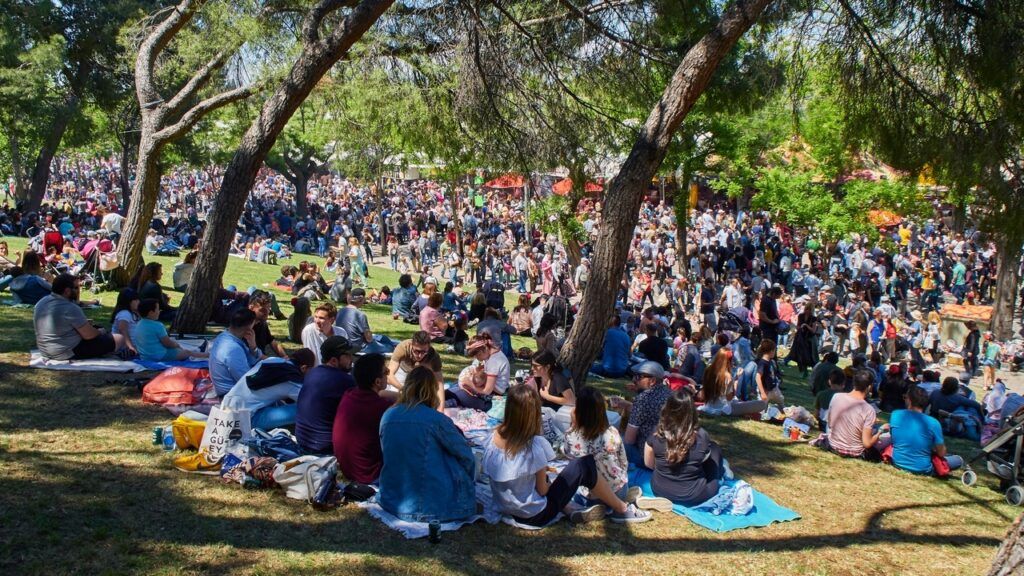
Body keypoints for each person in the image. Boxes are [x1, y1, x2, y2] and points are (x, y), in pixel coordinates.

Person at [484, 385, 652, 526]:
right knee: (584, 465)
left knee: (569, 473)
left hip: (505, 506)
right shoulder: (535, 445)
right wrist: (556, 484)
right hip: (534, 515)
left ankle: (571, 507)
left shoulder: (494, 436)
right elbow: (542, 491)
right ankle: (622, 509)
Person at [379, 366, 477, 523]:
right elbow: (466, 456)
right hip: (429, 505)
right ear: (431, 390)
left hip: (391, 497)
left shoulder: (388, 415)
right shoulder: (436, 419)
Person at [645, 388, 732, 507]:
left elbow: (648, 464)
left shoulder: (656, 433)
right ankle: (722, 472)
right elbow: (703, 461)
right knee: (715, 449)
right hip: (694, 495)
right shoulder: (701, 435)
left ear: (667, 409)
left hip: (660, 490)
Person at [333, 353, 395, 485]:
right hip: (370, 475)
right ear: (377, 381)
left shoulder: (349, 394)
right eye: (386, 372)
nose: (388, 374)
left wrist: (400, 395)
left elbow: (381, 393)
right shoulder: (381, 408)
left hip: (348, 469)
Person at [33, 273, 122, 360]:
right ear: (67, 291)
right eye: (76, 288)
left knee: (96, 328)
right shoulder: (70, 308)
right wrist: (100, 332)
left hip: (46, 350)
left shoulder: (41, 302)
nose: (79, 291)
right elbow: (89, 335)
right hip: (66, 352)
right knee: (118, 338)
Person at [221, 349, 315, 430]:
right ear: (304, 368)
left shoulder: (271, 360)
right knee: (304, 409)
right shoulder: (292, 380)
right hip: (245, 421)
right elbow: (310, 404)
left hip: (226, 408)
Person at [294, 336, 356, 455]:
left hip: (302, 441)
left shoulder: (313, 372)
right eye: (347, 355)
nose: (351, 358)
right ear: (333, 360)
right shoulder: (345, 381)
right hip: (324, 449)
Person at [890, 385, 964, 475]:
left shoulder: (895, 414)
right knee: (957, 460)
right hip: (923, 468)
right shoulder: (933, 423)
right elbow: (941, 453)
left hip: (897, 461)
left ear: (909, 400)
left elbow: (894, 439)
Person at [613, 360, 672, 467]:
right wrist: (629, 405)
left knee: (613, 442)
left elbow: (629, 440)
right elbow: (650, 413)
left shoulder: (642, 400)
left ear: (652, 381)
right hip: (669, 457)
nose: (634, 380)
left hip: (648, 459)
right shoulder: (669, 393)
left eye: (639, 377)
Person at [826, 370, 889, 460]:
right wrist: (880, 431)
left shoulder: (836, 397)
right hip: (855, 452)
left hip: (833, 445)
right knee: (886, 436)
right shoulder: (869, 410)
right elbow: (867, 443)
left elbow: (830, 424)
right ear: (869, 387)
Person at [447, 334, 510, 411]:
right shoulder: (493, 354)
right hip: (488, 388)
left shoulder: (494, 362)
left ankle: (448, 401)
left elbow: (487, 391)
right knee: (455, 387)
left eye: (477, 355)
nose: (477, 358)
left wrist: (471, 384)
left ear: (484, 349)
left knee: (457, 393)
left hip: (493, 396)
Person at [131, 299, 208, 362]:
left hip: (145, 357)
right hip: (160, 356)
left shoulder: (139, 324)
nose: (159, 311)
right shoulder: (157, 325)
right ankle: (207, 355)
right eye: (158, 309)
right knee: (187, 352)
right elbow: (167, 343)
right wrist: (176, 345)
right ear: (151, 312)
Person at [208, 308, 262, 396]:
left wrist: (253, 346)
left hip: (233, 388)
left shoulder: (225, 336)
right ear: (249, 328)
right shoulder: (233, 349)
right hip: (232, 394)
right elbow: (247, 380)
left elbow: (252, 360)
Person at [698, 348, 767, 417]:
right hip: (724, 410)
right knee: (762, 404)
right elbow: (729, 398)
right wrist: (736, 380)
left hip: (708, 406)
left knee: (740, 403)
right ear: (729, 361)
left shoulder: (708, 370)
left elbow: (703, 394)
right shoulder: (727, 376)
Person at [530, 349, 576, 431]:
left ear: (547, 367)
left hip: (559, 421)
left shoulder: (558, 378)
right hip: (544, 416)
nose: (532, 368)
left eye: (535, 366)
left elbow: (571, 400)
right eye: (531, 365)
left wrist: (547, 396)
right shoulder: (538, 378)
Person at [928, 376, 984, 441]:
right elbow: (977, 405)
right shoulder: (957, 398)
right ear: (956, 388)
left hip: (934, 417)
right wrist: (982, 418)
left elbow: (926, 404)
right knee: (969, 409)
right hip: (949, 420)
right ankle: (977, 424)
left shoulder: (935, 392)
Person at [249, 291, 286, 358]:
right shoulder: (245, 327)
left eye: (269, 308)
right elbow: (254, 355)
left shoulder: (262, 323)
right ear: (251, 308)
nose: (267, 312)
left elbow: (272, 342)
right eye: (262, 310)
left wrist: (285, 357)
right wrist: (276, 362)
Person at [334, 288, 373, 352]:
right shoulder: (360, 314)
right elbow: (369, 339)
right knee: (388, 345)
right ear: (362, 299)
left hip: (341, 343)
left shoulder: (340, 311)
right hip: (357, 346)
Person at [754, 339, 784, 409]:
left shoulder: (771, 361)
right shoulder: (762, 363)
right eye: (775, 350)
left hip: (774, 389)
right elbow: (758, 377)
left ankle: (777, 410)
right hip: (765, 390)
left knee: (782, 404)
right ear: (771, 351)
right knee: (761, 410)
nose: (775, 353)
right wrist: (762, 392)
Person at [110, 288, 140, 356]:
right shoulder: (124, 314)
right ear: (128, 301)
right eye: (135, 300)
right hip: (125, 348)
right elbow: (123, 331)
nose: (138, 301)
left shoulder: (134, 313)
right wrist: (130, 347)